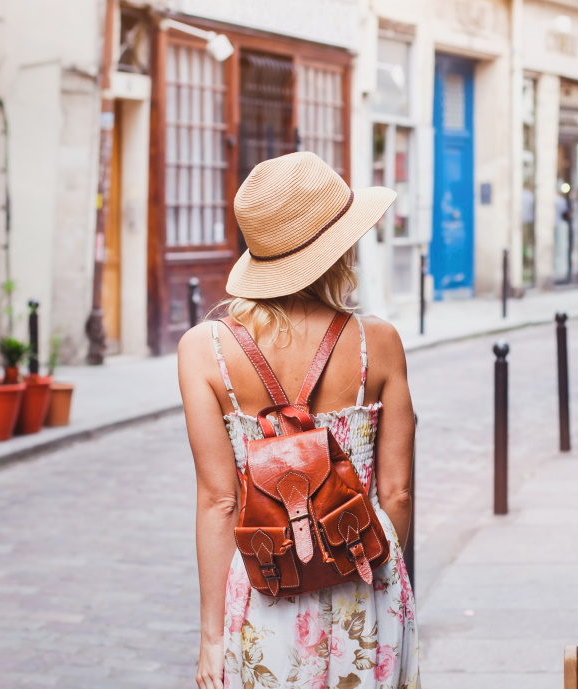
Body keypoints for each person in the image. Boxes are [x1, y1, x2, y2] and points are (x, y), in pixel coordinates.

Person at [178, 152, 420, 689]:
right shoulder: (376, 342)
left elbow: (218, 501)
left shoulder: (204, 350)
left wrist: (211, 637)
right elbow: (397, 492)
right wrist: (378, 569)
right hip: (365, 577)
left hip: (266, 583)